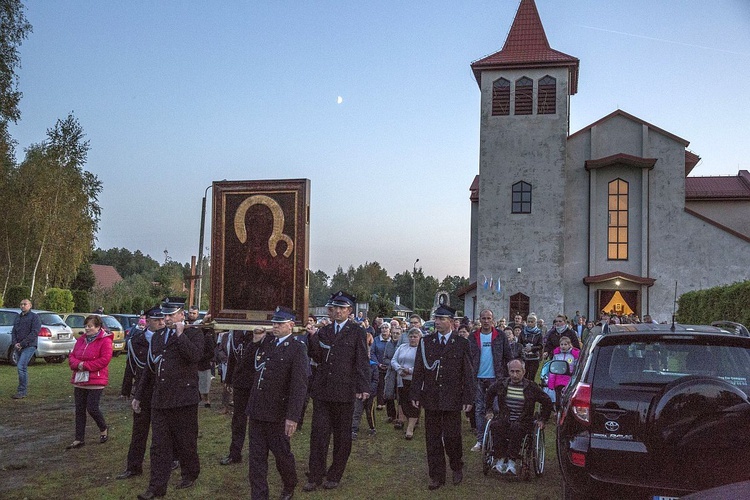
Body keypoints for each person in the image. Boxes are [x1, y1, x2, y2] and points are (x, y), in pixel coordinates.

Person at [133, 297, 204, 499]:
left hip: (184, 399)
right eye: (165, 315)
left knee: (185, 442)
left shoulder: (193, 334)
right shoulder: (157, 336)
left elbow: (195, 356)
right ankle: (156, 488)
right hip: (161, 398)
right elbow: (150, 368)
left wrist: (181, 335)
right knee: (159, 446)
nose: (166, 319)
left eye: (171, 315)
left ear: (181, 314)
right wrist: (139, 395)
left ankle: (190, 473)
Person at [303, 290, 370, 492]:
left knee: (342, 437)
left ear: (349, 310)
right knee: (319, 434)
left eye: (342, 308)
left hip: (344, 391)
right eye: (335, 308)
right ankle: (315, 475)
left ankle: (335, 474)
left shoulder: (357, 331)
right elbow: (316, 355)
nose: (338, 311)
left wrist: (363, 386)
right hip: (323, 390)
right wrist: (312, 336)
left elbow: (362, 360)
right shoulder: (324, 330)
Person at [247, 307, 309, 500]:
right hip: (257, 411)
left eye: (279, 323)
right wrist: (255, 343)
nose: (275, 326)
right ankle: (259, 496)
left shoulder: (297, 348)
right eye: (274, 323)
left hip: (278, 413)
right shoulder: (266, 344)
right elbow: (249, 367)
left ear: (291, 325)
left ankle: (289, 484)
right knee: (256, 459)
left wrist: (292, 417)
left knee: (282, 456)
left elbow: (299, 385)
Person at [410, 305, 474, 490]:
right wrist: (415, 392)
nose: (437, 322)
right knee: (433, 438)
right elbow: (419, 369)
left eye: (442, 319)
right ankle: (436, 475)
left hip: (452, 398)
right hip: (431, 397)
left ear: (452, 322)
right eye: (436, 318)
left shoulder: (461, 343)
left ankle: (456, 466)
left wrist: (468, 398)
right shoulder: (426, 342)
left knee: (453, 436)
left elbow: (468, 373)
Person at [116, 307, 164, 479]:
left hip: (163, 390)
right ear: (148, 320)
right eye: (156, 319)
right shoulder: (136, 341)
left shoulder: (168, 339)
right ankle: (133, 466)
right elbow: (131, 366)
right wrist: (126, 390)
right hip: (143, 391)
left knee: (165, 432)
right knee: (139, 431)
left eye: (162, 319)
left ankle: (171, 461)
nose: (161, 322)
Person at [484, 359, 553, 475]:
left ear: (524, 371)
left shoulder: (531, 387)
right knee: (496, 425)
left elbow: (547, 401)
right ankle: (500, 459)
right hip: (505, 417)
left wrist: (542, 419)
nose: (514, 375)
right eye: (512, 372)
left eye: (517, 371)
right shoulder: (501, 384)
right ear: (508, 372)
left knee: (516, 428)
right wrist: (489, 410)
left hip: (524, 420)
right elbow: (489, 393)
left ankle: (511, 461)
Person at [66, 315, 114, 449]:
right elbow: (72, 356)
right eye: (86, 326)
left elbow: (104, 360)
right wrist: (78, 364)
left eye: (90, 326)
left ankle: (103, 427)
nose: (87, 329)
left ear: (98, 327)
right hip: (80, 379)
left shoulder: (105, 341)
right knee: (79, 409)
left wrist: (85, 366)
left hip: (96, 380)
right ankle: (79, 438)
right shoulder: (81, 340)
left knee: (92, 408)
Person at [468, 308, 512, 453]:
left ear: (493, 320)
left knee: (497, 409)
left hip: (496, 379)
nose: (486, 321)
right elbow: (468, 358)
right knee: (479, 409)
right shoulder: (473, 337)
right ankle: (480, 440)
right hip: (478, 379)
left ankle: (495, 439)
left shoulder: (500, 336)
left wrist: (507, 377)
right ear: (479, 320)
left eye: (488, 318)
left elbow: (508, 357)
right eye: (483, 318)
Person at [220, 327, 266, 465]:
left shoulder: (262, 331)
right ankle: (235, 453)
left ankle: (258, 455)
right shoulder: (236, 332)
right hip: (241, 381)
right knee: (238, 419)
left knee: (258, 420)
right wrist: (228, 379)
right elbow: (233, 358)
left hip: (257, 381)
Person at [391, 328, 421, 439]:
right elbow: (393, 360)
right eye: (411, 336)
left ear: (419, 337)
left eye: (415, 336)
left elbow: (421, 365)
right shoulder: (402, 347)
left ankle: (410, 428)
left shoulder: (421, 349)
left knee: (413, 403)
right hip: (401, 379)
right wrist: (400, 369)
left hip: (414, 380)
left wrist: (410, 370)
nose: (412, 339)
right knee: (403, 402)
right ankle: (408, 421)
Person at [10, 299, 41, 399]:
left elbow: (34, 332)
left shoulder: (34, 317)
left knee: (21, 367)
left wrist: (23, 343)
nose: (23, 306)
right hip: (18, 346)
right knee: (22, 368)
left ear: (30, 305)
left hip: (29, 346)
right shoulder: (18, 317)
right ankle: (22, 389)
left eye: (25, 304)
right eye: (21, 304)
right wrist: (15, 343)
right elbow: (14, 331)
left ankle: (22, 391)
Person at [352, 332, 378, 440]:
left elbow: (375, 380)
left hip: (370, 394)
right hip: (359, 393)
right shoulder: (357, 366)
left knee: (369, 411)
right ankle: (353, 429)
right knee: (357, 411)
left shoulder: (373, 366)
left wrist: (369, 391)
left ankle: (372, 427)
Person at [371, 322, 396, 422]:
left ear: (390, 330)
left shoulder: (393, 341)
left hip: (392, 368)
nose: (384, 329)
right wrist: (378, 364)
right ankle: (381, 405)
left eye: (386, 328)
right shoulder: (376, 340)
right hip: (379, 367)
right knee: (381, 387)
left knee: (392, 389)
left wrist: (390, 365)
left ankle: (398, 415)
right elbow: (372, 352)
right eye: (383, 328)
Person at [547, 336, 580, 410]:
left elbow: (577, 367)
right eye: (561, 344)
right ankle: (558, 409)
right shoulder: (557, 355)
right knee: (558, 397)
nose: (563, 346)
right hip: (558, 380)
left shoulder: (573, 356)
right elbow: (553, 368)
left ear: (569, 345)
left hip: (569, 380)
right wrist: (551, 382)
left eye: (565, 344)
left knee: (568, 398)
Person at [519, 314, 544, 381]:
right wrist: (523, 348)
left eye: (532, 322)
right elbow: (519, 343)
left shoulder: (539, 333)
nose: (530, 323)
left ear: (535, 323)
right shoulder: (523, 332)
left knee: (532, 377)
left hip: (534, 358)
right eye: (528, 321)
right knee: (524, 376)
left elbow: (541, 345)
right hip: (524, 357)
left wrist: (532, 348)